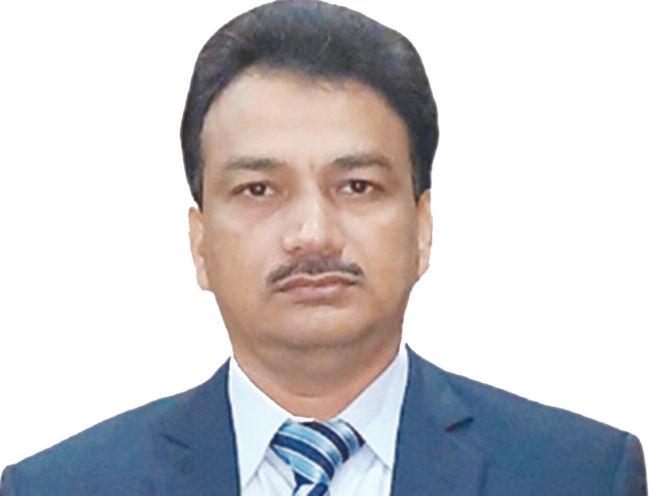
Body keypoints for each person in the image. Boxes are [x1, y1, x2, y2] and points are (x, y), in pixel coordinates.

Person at [1, 0, 647, 495]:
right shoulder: (60, 487)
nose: (312, 234)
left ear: (422, 228)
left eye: (357, 186)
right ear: (199, 244)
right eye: (258, 190)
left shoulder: (579, 474)